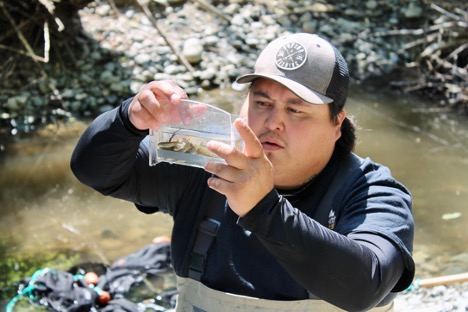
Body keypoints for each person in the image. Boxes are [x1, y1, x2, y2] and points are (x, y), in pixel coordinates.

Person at [71, 33, 415, 311]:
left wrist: (263, 209)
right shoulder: (205, 164)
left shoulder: (373, 192)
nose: (272, 123)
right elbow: (96, 172)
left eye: (295, 110)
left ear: (337, 124)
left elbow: (365, 287)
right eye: (262, 103)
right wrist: (128, 120)